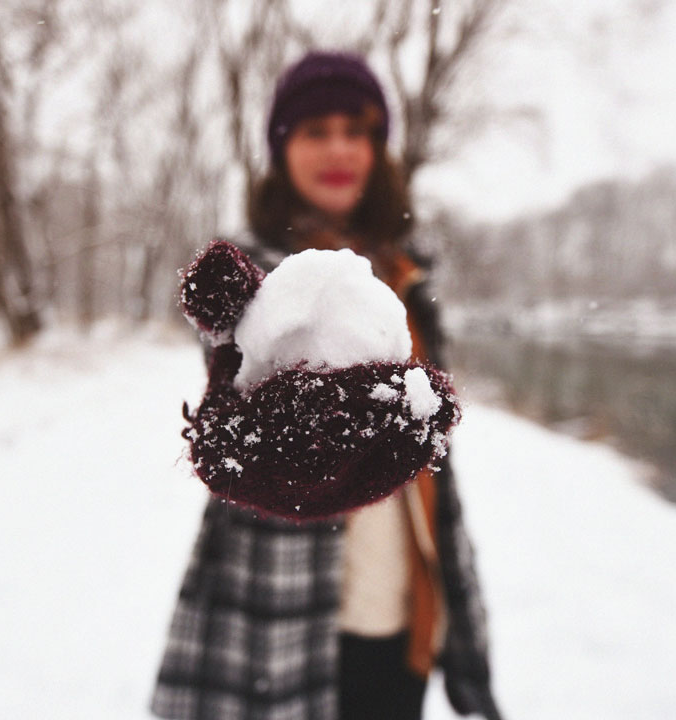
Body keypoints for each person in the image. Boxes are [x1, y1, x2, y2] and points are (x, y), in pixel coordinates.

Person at [152, 50, 503, 720]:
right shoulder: (251, 277)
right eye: (315, 131)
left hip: (403, 605)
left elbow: (436, 473)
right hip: (281, 613)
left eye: (356, 129)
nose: (339, 148)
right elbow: (223, 365)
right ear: (282, 150)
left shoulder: (406, 274)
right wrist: (248, 430)